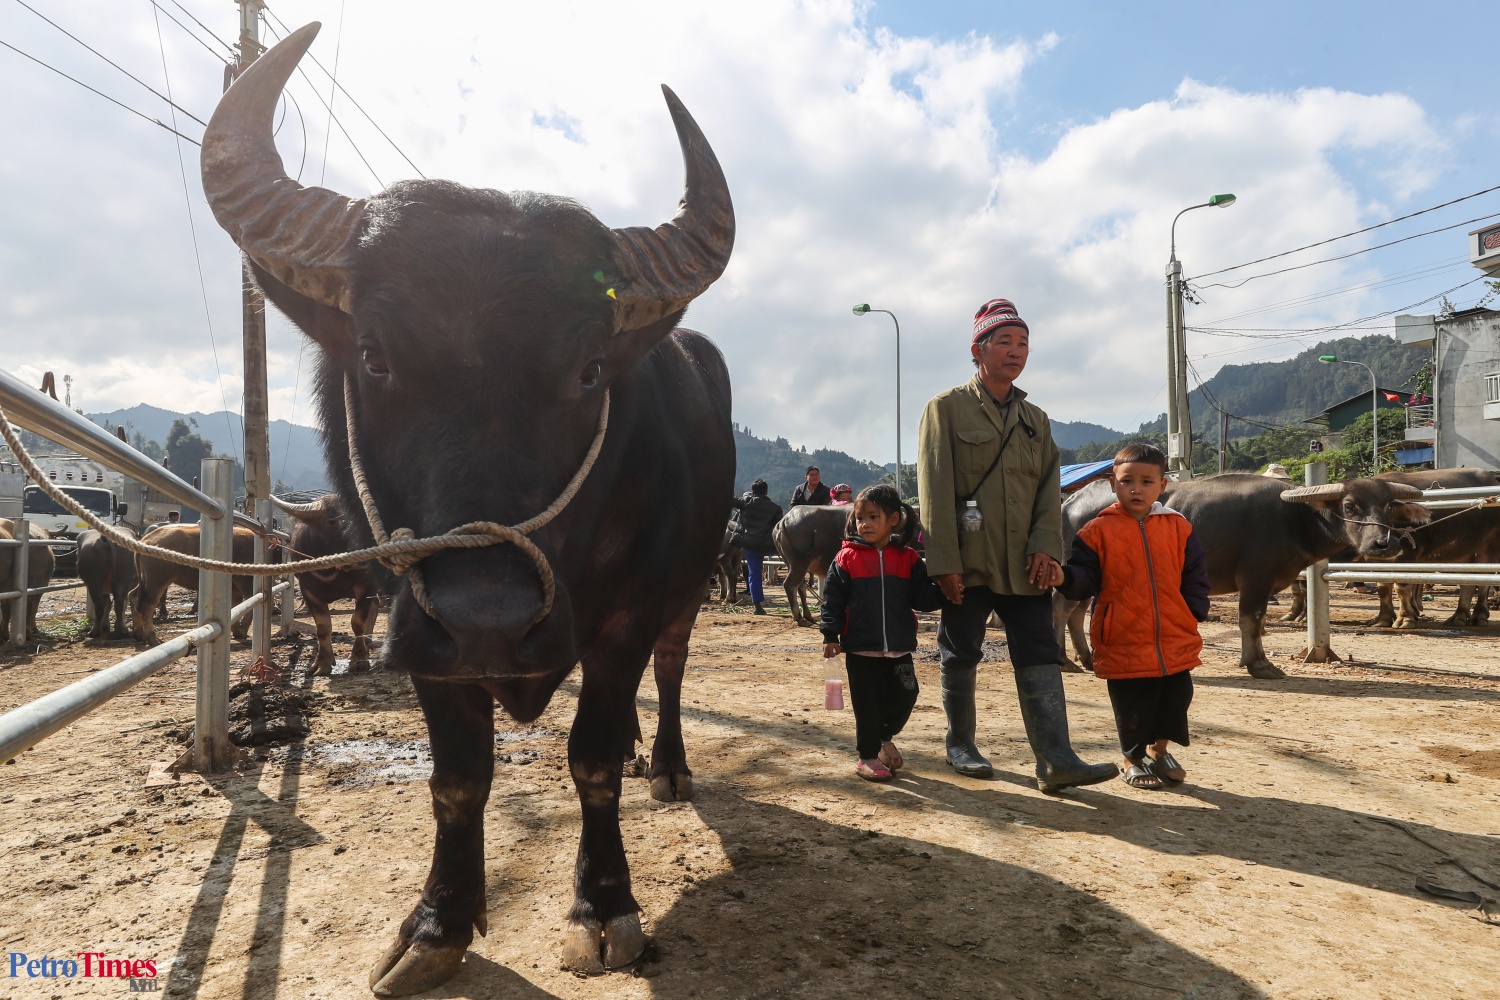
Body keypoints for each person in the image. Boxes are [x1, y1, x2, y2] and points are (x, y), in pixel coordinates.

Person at [916, 297, 1116, 791]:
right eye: (1004, 341)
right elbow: (933, 489)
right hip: (971, 559)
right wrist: (943, 562)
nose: (1016, 351)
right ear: (977, 350)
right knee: (961, 651)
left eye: (1023, 343)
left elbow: (1049, 495)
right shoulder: (945, 409)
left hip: (1026, 565)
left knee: (1039, 649)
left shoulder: (1036, 420)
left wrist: (1047, 547)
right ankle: (960, 743)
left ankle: (1056, 759)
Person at [1046, 444, 1209, 790]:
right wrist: (1064, 578)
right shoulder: (1096, 530)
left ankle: (1159, 750)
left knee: (1176, 698)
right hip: (1122, 634)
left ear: (1162, 486)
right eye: (1128, 481)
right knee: (1132, 703)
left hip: (1173, 634)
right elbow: (1085, 576)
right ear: (1112, 484)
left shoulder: (1178, 527)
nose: (1137, 489)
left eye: (1147, 481)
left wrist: (1193, 609)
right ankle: (1131, 759)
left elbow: (1194, 573)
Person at [819, 484, 942, 781]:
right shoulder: (846, 558)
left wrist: (944, 591)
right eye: (861, 518)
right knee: (868, 705)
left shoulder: (909, 558)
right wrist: (830, 636)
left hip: (899, 646)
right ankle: (867, 757)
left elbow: (920, 598)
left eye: (874, 517)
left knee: (907, 693)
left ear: (894, 519)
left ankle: (884, 737)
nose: (865, 524)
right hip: (861, 648)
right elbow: (832, 600)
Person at [730, 479, 783, 615]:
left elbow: (729, 499)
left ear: (752, 492)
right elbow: (778, 528)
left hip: (750, 544)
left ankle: (757, 605)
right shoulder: (775, 508)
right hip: (768, 545)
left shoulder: (745, 502)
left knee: (754, 573)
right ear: (766, 491)